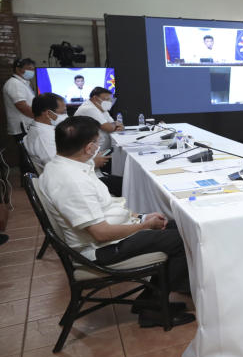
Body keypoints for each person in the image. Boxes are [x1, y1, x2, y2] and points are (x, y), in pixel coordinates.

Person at [36, 116, 194, 328]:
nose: (98, 147)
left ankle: (149, 300)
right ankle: (154, 308)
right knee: (181, 240)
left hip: (104, 238)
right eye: (97, 142)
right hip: (100, 250)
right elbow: (100, 233)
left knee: (177, 226)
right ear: (90, 147)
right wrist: (145, 226)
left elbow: (107, 210)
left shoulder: (66, 166)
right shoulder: (71, 181)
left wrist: (141, 218)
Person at [26, 92, 123, 195]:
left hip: (87, 172)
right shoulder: (43, 137)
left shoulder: (46, 130)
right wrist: (93, 162)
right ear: (49, 113)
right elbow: (60, 170)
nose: (66, 116)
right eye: (63, 112)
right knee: (128, 185)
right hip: (79, 184)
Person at [75, 87, 123, 151]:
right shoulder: (89, 108)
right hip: (91, 152)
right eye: (106, 99)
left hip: (102, 149)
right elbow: (108, 128)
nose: (109, 102)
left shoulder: (101, 108)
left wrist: (117, 126)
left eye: (110, 100)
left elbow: (116, 125)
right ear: (95, 98)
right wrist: (114, 125)